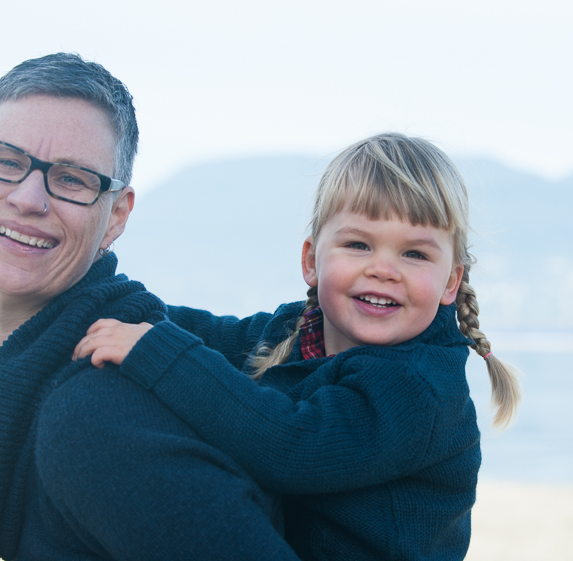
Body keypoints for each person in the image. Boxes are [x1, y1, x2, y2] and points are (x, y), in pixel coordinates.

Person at [75, 133, 522, 560]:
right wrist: (118, 305)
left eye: (415, 254)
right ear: (311, 260)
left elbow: (292, 447)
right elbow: (212, 335)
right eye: (358, 244)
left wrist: (158, 353)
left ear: (450, 281)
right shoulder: (299, 329)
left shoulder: (420, 390)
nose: (384, 269)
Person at [0, 53, 299, 560]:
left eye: (71, 179)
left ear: (115, 217)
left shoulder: (96, 417)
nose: (28, 198)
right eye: (6, 161)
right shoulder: (31, 367)